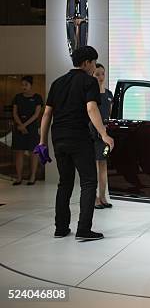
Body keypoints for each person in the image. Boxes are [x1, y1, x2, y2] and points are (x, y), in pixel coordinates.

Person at [39, 46, 114, 241]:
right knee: (89, 182)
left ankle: (61, 228)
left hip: (58, 138)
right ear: (87, 62)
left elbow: (47, 114)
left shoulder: (58, 82)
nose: (94, 67)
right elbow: (91, 109)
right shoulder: (89, 82)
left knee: (64, 183)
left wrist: (42, 142)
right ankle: (84, 229)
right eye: (94, 63)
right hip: (79, 137)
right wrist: (104, 134)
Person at [11, 76, 43, 185]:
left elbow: (36, 114)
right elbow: (14, 113)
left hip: (32, 128)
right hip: (19, 128)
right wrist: (20, 125)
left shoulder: (37, 97)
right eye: (22, 84)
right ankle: (19, 177)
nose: (23, 87)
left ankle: (32, 177)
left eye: (26, 84)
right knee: (19, 152)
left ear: (31, 85)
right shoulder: (17, 97)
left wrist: (25, 125)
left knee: (33, 152)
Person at [90, 64, 114, 209]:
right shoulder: (89, 94)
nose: (100, 77)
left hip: (105, 135)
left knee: (103, 165)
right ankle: (94, 198)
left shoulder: (109, 94)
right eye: (97, 74)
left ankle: (103, 197)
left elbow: (110, 115)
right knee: (92, 167)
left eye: (102, 74)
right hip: (92, 134)